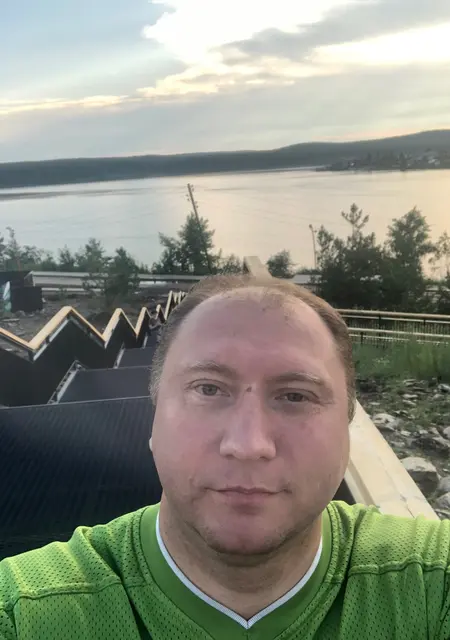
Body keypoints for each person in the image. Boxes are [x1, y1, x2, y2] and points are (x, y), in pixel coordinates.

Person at [1, 274, 449, 640]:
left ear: (347, 431)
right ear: (153, 420)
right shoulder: (26, 613)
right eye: (208, 389)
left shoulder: (431, 582)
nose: (248, 444)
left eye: (295, 396)